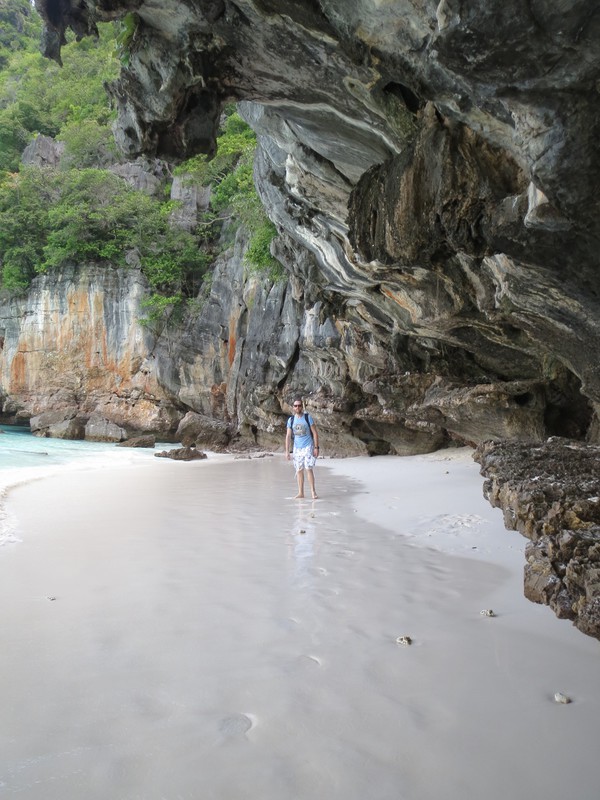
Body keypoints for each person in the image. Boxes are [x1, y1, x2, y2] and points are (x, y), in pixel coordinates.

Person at [285, 397, 320, 499]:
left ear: (302, 406)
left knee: (308, 468)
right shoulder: (291, 420)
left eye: (299, 405)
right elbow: (288, 436)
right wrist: (287, 451)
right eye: (295, 406)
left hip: (308, 446)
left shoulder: (307, 417)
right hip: (297, 448)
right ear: (293, 407)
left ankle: (313, 492)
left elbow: (315, 433)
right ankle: (301, 493)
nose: (297, 407)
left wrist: (316, 447)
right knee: (299, 470)